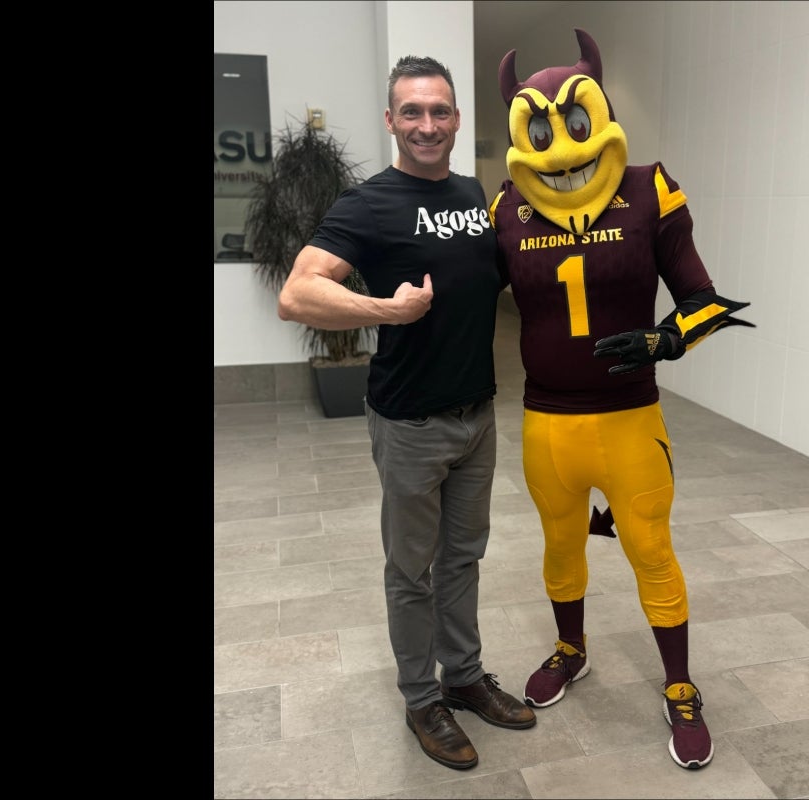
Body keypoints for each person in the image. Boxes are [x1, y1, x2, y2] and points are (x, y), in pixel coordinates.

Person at [488, 30, 755, 770]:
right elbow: (469, 292)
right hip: (546, 423)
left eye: (574, 123)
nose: (562, 146)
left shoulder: (648, 187)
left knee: (649, 549)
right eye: (540, 129)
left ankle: (679, 686)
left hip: (630, 417)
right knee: (561, 547)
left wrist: (666, 340)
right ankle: (571, 649)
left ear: (599, 113)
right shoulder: (506, 207)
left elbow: (703, 300)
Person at [277, 54, 535, 771]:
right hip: (410, 425)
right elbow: (296, 294)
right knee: (410, 569)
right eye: (412, 112)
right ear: (392, 120)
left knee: (463, 559)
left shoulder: (471, 192)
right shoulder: (368, 203)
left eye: (440, 111)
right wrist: (385, 309)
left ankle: (464, 677)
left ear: (457, 119)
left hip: (476, 416)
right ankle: (422, 698)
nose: (428, 124)